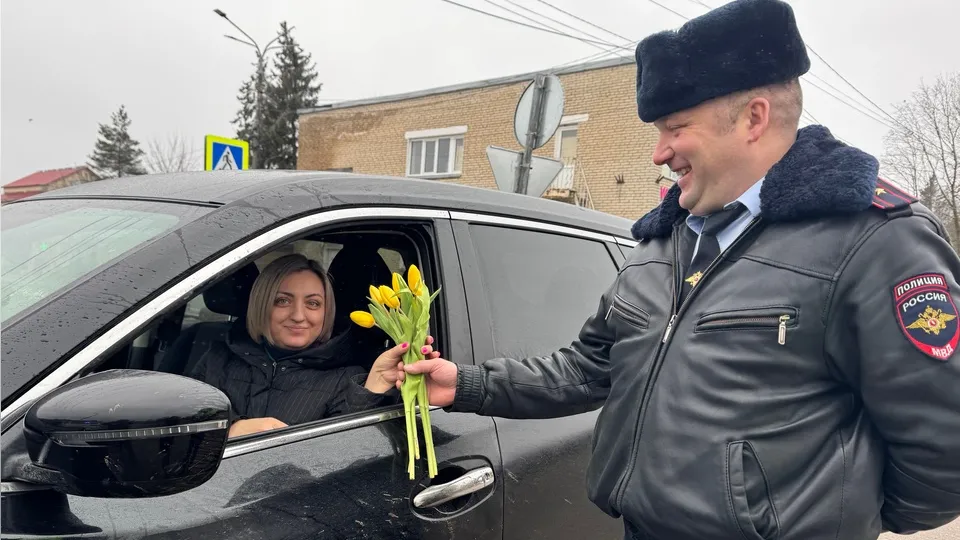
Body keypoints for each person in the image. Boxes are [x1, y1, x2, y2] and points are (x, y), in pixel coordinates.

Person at [395, 1, 960, 539]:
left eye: (675, 127)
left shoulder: (874, 241)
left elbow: (943, 447)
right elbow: (587, 369)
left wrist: (835, 518)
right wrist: (464, 384)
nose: (658, 153)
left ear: (753, 119)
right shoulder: (665, 240)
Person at [187, 253, 437, 439]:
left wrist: (370, 391)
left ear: (327, 312)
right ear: (261, 305)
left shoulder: (347, 377)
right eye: (282, 301)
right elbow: (183, 420)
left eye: (313, 304)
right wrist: (231, 428)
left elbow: (346, 455)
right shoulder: (217, 359)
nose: (298, 315)